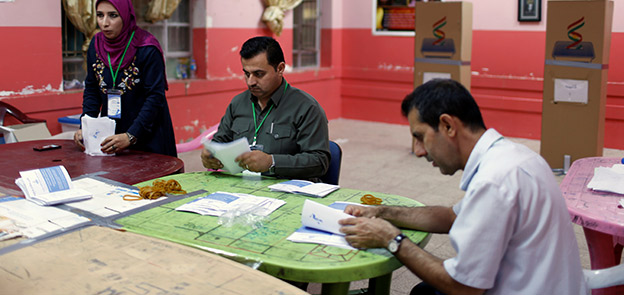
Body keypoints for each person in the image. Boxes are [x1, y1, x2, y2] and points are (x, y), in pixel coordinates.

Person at [339, 79, 587, 295]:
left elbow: (463, 288)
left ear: (448, 125)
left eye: (420, 136)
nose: (418, 151)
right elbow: (451, 217)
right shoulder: (513, 156)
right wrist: (383, 213)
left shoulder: (495, 180)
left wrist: (390, 238)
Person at [201, 36, 329, 180]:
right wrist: (210, 155)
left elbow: (319, 162)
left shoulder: (306, 107)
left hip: (286, 190)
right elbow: (219, 142)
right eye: (246, 74)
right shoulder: (238, 103)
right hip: (242, 188)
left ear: (280, 69)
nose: (251, 82)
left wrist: (272, 162)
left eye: (259, 74)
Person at [74, 0, 177, 157]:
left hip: (147, 135)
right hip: (111, 136)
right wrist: (85, 126)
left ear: (125, 15)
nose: (104, 23)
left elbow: (155, 97)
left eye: (113, 15)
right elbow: (92, 89)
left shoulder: (146, 48)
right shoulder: (96, 45)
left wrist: (131, 136)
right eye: (100, 15)